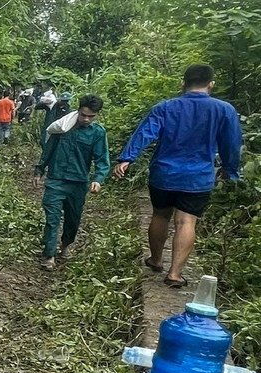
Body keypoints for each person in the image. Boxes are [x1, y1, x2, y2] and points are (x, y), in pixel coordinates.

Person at [113, 64, 243, 288]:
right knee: (186, 221)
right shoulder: (224, 110)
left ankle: (155, 260)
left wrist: (127, 158)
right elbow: (231, 143)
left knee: (160, 215)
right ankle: (174, 273)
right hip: (198, 177)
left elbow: (145, 133)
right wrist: (230, 169)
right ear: (211, 83)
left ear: (183, 83)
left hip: (164, 174)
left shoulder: (166, 107)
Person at [35, 95, 109, 270]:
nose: (85, 119)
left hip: (78, 183)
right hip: (56, 180)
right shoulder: (63, 127)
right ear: (78, 110)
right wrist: (39, 170)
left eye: (91, 116)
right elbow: (49, 149)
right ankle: (49, 254)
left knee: (73, 218)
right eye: (83, 115)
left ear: (97, 115)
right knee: (52, 219)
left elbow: (101, 158)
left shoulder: (97, 133)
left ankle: (66, 244)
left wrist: (98, 179)